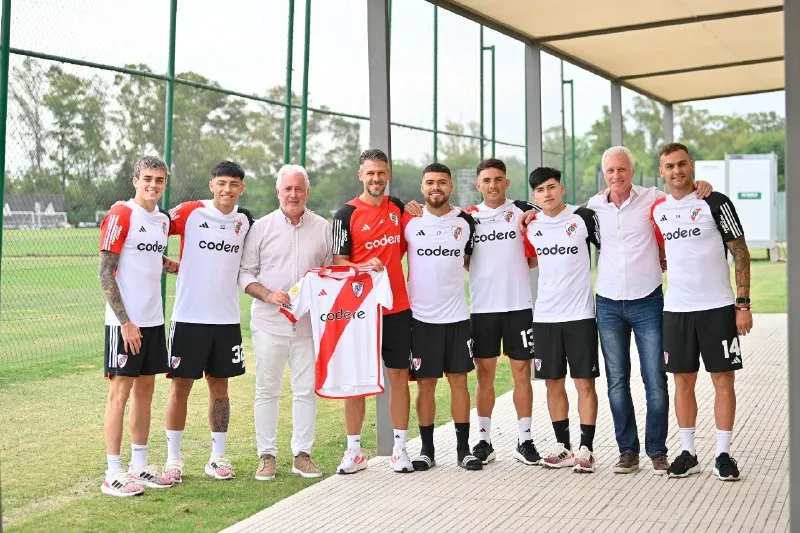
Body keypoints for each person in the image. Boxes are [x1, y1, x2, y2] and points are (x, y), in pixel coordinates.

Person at [586, 146, 712, 474]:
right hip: (609, 303)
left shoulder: (652, 198)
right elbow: (554, 211)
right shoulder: (594, 205)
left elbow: (680, 192)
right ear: (604, 174)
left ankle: (657, 449)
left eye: (622, 169)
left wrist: (703, 186)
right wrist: (529, 211)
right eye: (610, 171)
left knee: (655, 379)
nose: (616, 176)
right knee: (616, 380)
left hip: (648, 301)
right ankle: (627, 451)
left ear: (632, 169)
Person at [652, 142, 751, 481]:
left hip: (718, 308)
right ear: (662, 171)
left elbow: (740, 253)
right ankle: (688, 451)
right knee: (683, 380)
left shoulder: (715, 201)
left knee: (723, 379)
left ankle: (723, 454)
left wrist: (743, 304)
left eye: (681, 164)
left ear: (691, 165)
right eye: (669, 166)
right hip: (676, 309)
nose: (676, 171)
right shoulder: (657, 209)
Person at [162, 161, 254, 483]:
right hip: (188, 317)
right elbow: (152, 223)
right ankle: (173, 460)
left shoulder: (245, 220)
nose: (227, 189)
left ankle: (218, 457)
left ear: (241, 188)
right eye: (221, 183)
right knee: (180, 388)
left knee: (220, 389)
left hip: (226, 321)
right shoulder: (190, 212)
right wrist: (166, 263)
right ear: (211, 184)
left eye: (234, 184)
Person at [239, 164, 332, 481]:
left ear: (307, 192)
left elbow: (330, 274)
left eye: (299, 189)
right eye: (287, 189)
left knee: (306, 391)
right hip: (269, 324)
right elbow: (245, 274)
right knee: (267, 391)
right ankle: (267, 456)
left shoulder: (322, 228)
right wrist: (267, 294)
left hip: (307, 327)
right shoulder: (261, 228)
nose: (293, 194)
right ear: (278, 191)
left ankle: (302, 455)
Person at [331, 149, 413, 474]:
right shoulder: (344, 213)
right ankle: (354, 451)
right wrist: (363, 266)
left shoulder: (399, 208)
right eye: (370, 173)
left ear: (388, 174)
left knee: (399, 378)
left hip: (397, 308)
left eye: (381, 173)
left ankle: (401, 449)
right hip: (360, 311)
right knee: (357, 380)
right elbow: (339, 262)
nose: (376, 178)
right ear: (360, 176)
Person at [98, 155, 175, 496]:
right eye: (147, 178)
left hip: (153, 321)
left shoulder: (162, 220)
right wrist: (125, 322)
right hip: (125, 324)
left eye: (159, 179)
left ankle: (139, 466)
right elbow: (105, 271)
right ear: (135, 180)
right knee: (120, 395)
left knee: (146, 392)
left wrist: (177, 265)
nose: (153, 185)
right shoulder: (121, 214)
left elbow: (149, 258)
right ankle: (112, 472)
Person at [402, 163, 480, 471]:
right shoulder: (408, 221)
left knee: (459, 381)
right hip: (420, 320)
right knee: (426, 384)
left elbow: (473, 264)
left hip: (458, 318)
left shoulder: (465, 222)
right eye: (430, 182)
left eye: (442, 182)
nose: (436, 187)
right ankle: (426, 451)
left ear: (450, 187)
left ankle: (464, 450)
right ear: (422, 188)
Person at [523, 167, 601, 473]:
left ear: (562, 188)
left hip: (580, 315)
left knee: (584, 382)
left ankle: (586, 448)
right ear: (534, 196)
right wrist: (524, 213)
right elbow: (527, 258)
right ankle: (562, 445)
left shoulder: (582, 217)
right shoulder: (530, 224)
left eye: (552, 187)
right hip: (545, 317)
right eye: (541, 190)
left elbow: (610, 247)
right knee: (552, 383)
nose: (547, 194)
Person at [462, 159, 540, 465]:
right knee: (485, 375)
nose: (493, 185)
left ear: (506, 182)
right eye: (487, 180)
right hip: (483, 310)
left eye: (498, 179)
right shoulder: (468, 218)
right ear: (478, 185)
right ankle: (483, 440)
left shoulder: (523, 210)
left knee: (523, 373)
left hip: (519, 306)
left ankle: (525, 438)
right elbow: (464, 259)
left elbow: (533, 258)